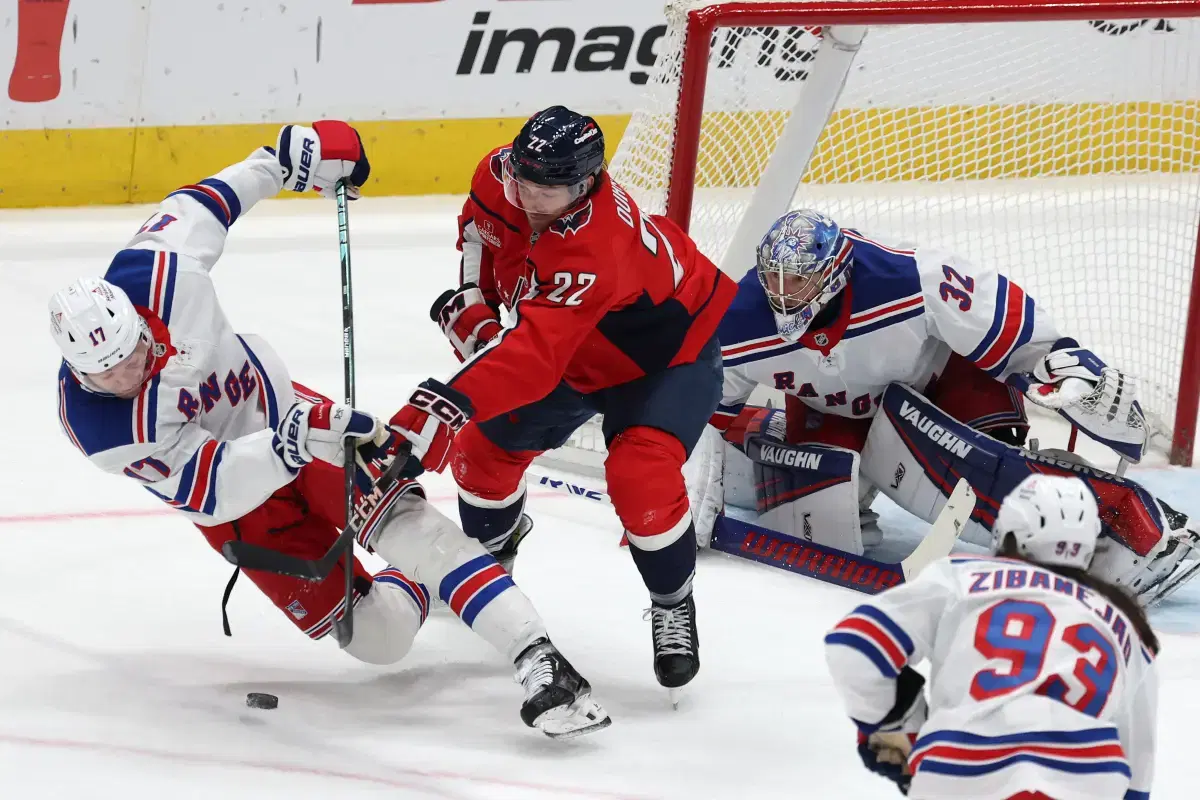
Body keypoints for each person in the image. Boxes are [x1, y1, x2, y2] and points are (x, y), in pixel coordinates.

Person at [50, 120, 609, 739]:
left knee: (409, 528)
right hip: (244, 505)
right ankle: (429, 580)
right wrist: (287, 447)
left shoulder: (157, 270)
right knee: (382, 639)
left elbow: (210, 200)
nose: (128, 374)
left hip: (288, 413)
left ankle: (538, 658)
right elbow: (215, 488)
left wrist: (283, 160)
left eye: (132, 353)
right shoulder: (104, 430)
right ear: (77, 370)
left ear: (134, 320)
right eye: (107, 374)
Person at [387, 105, 738, 700]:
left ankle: (672, 601)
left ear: (585, 185)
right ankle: (492, 555)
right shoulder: (500, 175)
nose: (527, 198)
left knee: (640, 476)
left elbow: (532, 358)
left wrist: (443, 404)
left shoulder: (594, 245)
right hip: (578, 349)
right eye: (522, 181)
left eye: (546, 191)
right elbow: (480, 234)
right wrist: (475, 300)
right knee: (481, 452)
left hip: (665, 355)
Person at [699, 208, 1197, 602]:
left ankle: (1130, 529)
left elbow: (1017, 335)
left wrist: (1070, 371)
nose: (782, 295)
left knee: (974, 468)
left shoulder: (909, 277)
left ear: (833, 273)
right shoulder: (736, 320)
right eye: (774, 279)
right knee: (818, 523)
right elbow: (700, 410)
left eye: (797, 281)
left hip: (947, 389)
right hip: (833, 411)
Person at [825, 474, 1159, 799]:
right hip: (1086, 775)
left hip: (964, 765)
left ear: (1007, 530)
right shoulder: (1122, 621)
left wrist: (896, 723)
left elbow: (856, 645)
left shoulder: (961, 576)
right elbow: (1138, 756)